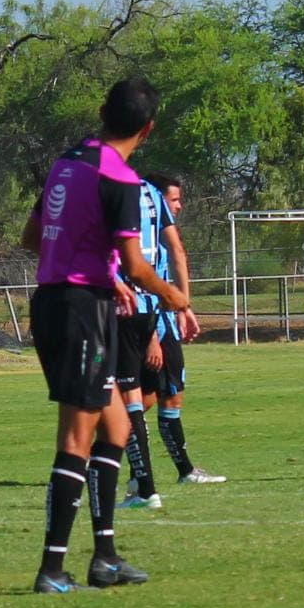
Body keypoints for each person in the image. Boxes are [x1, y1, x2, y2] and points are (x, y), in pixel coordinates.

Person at [23, 77, 188, 594]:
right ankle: (51, 569)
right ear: (148, 128)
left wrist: (104, 275)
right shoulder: (120, 180)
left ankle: (105, 559)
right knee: (76, 438)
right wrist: (175, 296)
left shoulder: (65, 163)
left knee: (116, 430)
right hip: (80, 314)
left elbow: (32, 237)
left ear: (101, 111)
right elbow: (139, 266)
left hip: (63, 304)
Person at [120, 174, 224, 509]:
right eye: (174, 200)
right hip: (152, 322)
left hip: (156, 320)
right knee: (149, 399)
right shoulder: (147, 235)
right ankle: (151, 473)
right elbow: (152, 276)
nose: (178, 206)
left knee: (155, 397)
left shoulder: (151, 240)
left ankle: (148, 470)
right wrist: (166, 322)